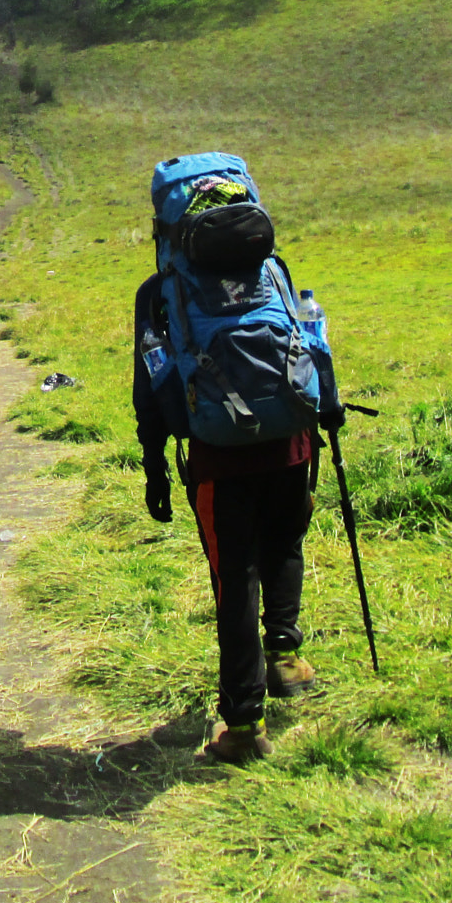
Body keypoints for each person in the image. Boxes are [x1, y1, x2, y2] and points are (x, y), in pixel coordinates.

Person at [132, 271, 324, 765]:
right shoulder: (272, 267)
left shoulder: (159, 292)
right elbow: (308, 337)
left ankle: (244, 725)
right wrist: (331, 410)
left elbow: (150, 382)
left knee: (234, 579)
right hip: (290, 441)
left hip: (221, 455)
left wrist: (155, 465)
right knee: (285, 544)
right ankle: (283, 656)